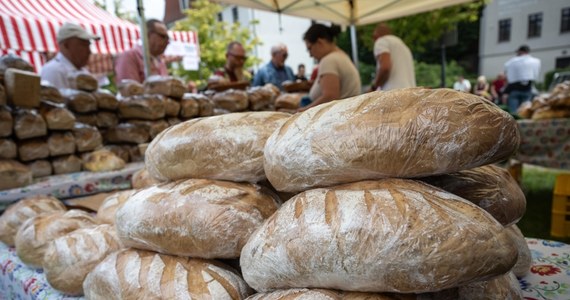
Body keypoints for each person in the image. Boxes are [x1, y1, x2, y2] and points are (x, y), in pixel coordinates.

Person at [299, 24, 361, 112]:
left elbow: (330, 97)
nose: (310, 55)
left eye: (310, 48)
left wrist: (303, 111)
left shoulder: (329, 60)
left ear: (320, 42)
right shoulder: (341, 55)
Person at [40, 23, 100, 89]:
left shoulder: (83, 72)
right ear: (66, 45)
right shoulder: (53, 70)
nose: (89, 51)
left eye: (88, 45)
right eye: (83, 45)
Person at [114, 19, 170, 84]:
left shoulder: (160, 62)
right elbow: (130, 90)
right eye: (163, 36)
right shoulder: (129, 57)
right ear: (147, 35)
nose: (167, 42)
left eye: (168, 38)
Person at [371, 23, 415, 91]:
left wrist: (374, 87)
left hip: (393, 93)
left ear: (375, 36)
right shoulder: (403, 45)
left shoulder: (381, 42)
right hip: (411, 91)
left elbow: (385, 67)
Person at [503, 45, 541, 113]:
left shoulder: (513, 62)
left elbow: (508, 77)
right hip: (527, 89)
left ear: (521, 51)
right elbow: (535, 75)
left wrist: (506, 92)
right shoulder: (534, 61)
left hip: (515, 90)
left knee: (513, 113)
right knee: (525, 111)